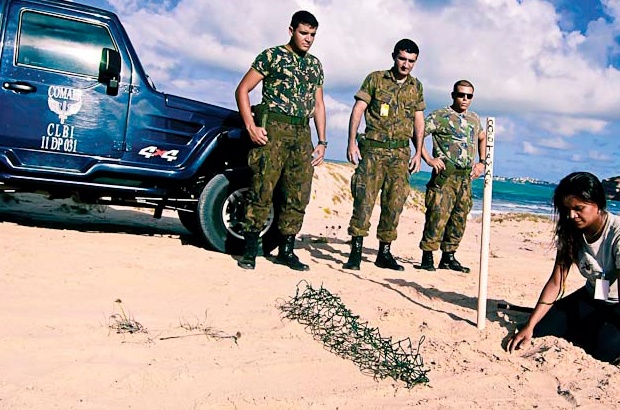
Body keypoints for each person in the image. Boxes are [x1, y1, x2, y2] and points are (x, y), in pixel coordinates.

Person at [235, 10, 327, 271]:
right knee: (262, 188)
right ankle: (250, 250)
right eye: (303, 33)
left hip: (302, 134)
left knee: (298, 193)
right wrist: (250, 126)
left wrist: (322, 142)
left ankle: (286, 250)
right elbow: (243, 89)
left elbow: (319, 104)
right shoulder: (272, 56)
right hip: (273, 129)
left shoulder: (314, 65)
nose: (308, 39)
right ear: (291, 31)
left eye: (313, 35)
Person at [507, 172, 620, 363]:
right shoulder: (571, 231)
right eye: (567, 209)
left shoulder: (616, 233)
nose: (571, 215)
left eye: (579, 208)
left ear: (598, 203)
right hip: (595, 294)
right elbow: (556, 281)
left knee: (602, 352)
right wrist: (530, 325)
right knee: (540, 330)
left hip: (617, 302)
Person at [342, 39, 425, 271]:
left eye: (411, 61)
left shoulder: (416, 87)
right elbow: (358, 109)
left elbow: (419, 120)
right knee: (364, 200)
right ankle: (356, 252)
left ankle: (384, 253)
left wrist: (418, 152)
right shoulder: (376, 79)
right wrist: (351, 142)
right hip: (373, 150)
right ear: (393, 56)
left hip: (400, 153)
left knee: (394, 203)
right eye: (402, 59)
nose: (406, 64)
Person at [418, 80, 486, 273]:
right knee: (437, 215)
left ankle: (448, 256)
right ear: (453, 95)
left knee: (459, 216)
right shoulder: (440, 116)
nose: (464, 99)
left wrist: (482, 162)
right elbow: (418, 133)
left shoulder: (474, 118)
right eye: (460, 95)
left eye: (469, 96)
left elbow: (482, 137)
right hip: (445, 176)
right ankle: (427, 256)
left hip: (465, 178)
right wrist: (428, 159)